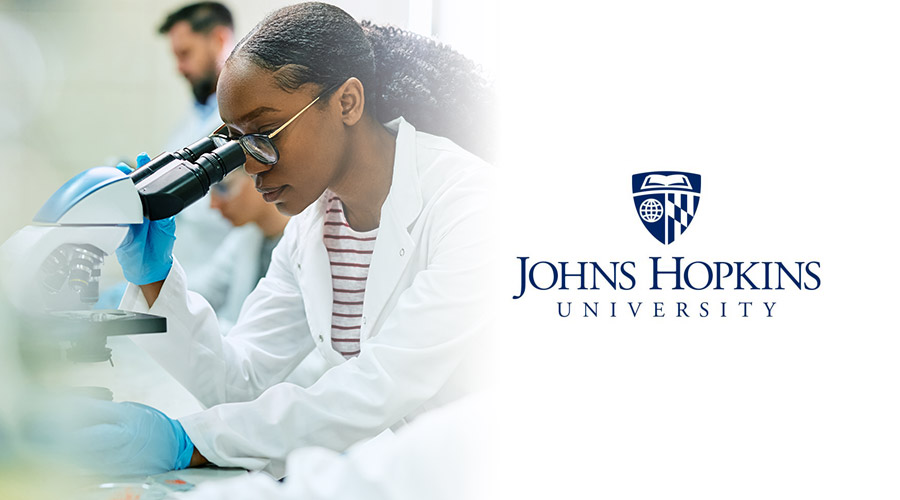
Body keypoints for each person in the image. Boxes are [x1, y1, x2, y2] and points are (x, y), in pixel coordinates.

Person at [91, 1, 495, 478]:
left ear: (347, 102)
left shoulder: (470, 203)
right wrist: (156, 279)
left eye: (265, 133)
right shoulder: (314, 227)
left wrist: (191, 439)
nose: (253, 166)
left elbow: (380, 386)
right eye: (238, 143)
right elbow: (239, 382)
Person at [158, 2, 239, 289]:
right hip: (187, 277)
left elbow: (231, 206)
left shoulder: (244, 124)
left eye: (185, 54)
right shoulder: (194, 117)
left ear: (218, 40)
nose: (179, 68)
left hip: (223, 283)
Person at [190, 168, 290, 333]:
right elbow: (202, 293)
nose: (213, 205)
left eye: (223, 188)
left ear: (260, 177)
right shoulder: (246, 237)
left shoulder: (309, 242)